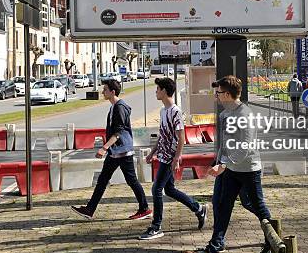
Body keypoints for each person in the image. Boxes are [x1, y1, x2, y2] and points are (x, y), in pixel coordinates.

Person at [185, 75, 272, 253]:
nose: (216, 96)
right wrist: (219, 162)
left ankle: (272, 243)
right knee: (222, 205)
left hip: (248, 170)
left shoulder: (244, 115)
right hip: (229, 170)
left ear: (227, 94)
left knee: (255, 206)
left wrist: (224, 164)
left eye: (218, 93)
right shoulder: (225, 114)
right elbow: (225, 144)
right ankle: (213, 249)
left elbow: (245, 146)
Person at [71, 79, 151, 220]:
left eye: (105, 90)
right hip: (115, 152)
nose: (103, 92)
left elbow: (118, 132)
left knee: (131, 180)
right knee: (103, 180)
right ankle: (90, 209)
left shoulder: (120, 107)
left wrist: (104, 147)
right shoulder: (114, 106)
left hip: (122, 151)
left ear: (112, 92)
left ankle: (144, 208)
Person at [139, 77, 207, 240]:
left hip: (170, 157)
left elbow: (181, 137)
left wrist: (177, 158)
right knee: (169, 189)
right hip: (162, 155)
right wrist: (152, 152)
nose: (156, 92)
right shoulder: (163, 111)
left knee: (156, 189)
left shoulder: (175, 111)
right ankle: (198, 208)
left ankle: (156, 226)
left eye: (157, 89)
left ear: (164, 91)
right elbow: (162, 136)